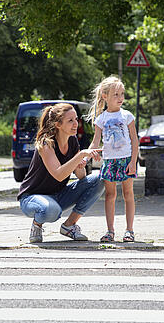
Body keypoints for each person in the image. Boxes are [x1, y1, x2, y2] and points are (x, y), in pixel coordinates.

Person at [17, 103, 104, 243]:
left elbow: (82, 177)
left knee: (99, 178)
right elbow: (59, 175)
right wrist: (80, 155)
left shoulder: (73, 141)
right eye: (70, 121)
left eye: (76, 119)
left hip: (58, 196)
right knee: (51, 210)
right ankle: (37, 225)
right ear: (58, 124)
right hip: (32, 198)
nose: (76, 124)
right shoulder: (46, 143)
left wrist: (79, 165)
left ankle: (69, 225)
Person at [86, 76, 139, 243]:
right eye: (116, 94)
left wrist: (133, 161)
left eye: (122, 94)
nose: (120, 98)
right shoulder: (101, 119)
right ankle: (110, 231)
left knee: (128, 193)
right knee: (110, 195)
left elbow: (134, 140)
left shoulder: (127, 116)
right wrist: (89, 153)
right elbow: (96, 141)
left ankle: (129, 230)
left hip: (126, 160)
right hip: (109, 161)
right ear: (105, 96)